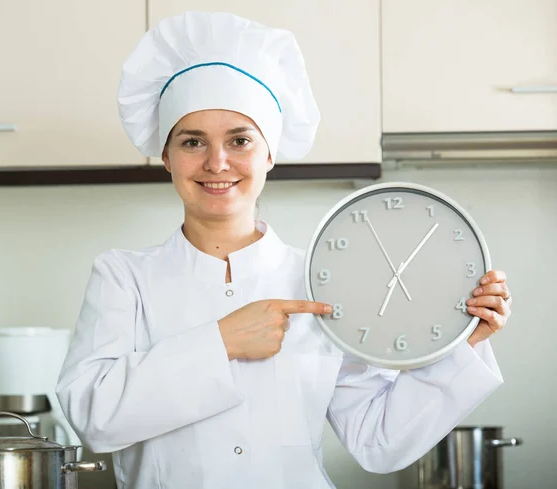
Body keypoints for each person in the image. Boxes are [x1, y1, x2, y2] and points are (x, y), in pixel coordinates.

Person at [55, 11, 512, 489]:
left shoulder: (319, 279)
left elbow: (377, 439)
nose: (217, 162)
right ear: (167, 156)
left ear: (269, 152)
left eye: (240, 140)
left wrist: (463, 344)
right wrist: (223, 341)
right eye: (193, 141)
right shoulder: (123, 277)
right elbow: (93, 416)